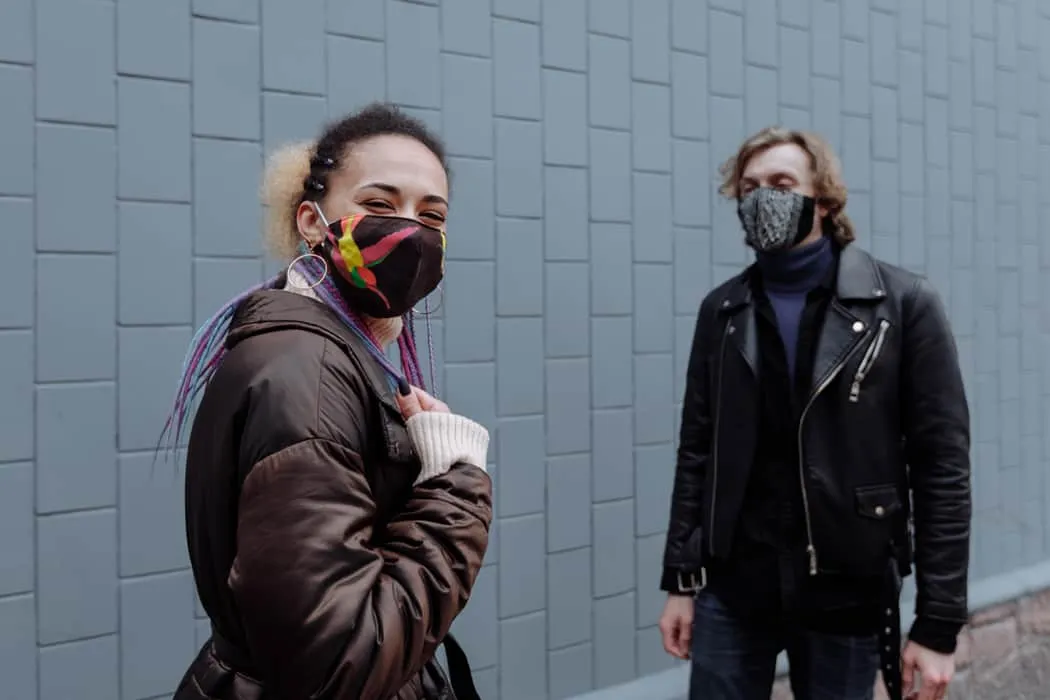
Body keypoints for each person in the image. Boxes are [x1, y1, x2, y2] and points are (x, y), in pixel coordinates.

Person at [166, 102, 492, 700]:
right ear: (313, 221)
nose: (409, 232)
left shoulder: (322, 352)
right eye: (378, 204)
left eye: (432, 214)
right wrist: (457, 483)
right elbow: (342, 664)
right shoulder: (309, 374)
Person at [658, 127, 971, 700]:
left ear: (823, 200)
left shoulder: (901, 306)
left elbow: (942, 470)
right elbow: (697, 450)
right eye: (749, 188)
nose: (762, 199)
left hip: (847, 591)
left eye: (781, 184)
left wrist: (939, 623)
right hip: (735, 589)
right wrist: (681, 581)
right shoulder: (723, 311)